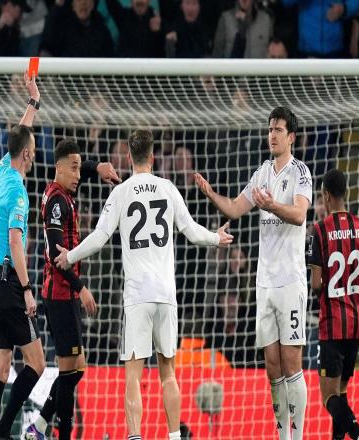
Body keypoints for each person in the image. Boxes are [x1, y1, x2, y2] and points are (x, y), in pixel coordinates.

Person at [55, 129, 233, 440]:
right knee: (168, 373)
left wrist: (69, 256)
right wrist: (216, 238)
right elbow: (191, 231)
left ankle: (135, 436)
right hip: (165, 294)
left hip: (137, 296)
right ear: (152, 157)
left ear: (128, 157)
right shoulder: (168, 188)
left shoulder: (121, 193)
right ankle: (175, 436)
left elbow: (99, 237)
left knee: (133, 376)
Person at [195, 106, 312, 440]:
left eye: (278, 130)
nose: (272, 135)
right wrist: (210, 194)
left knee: (291, 362)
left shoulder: (300, 172)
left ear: (291, 137)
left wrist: (272, 205)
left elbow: (300, 215)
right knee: (272, 366)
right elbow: (235, 208)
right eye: (270, 129)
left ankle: (297, 436)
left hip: (290, 280)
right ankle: (282, 435)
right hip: (265, 284)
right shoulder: (262, 173)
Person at [23, 139, 120, 439]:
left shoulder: (62, 193)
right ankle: (57, 433)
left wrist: (97, 167)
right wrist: (81, 288)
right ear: (59, 168)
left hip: (64, 296)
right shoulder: (56, 202)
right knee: (69, 374)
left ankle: (39, 427)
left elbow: (81, 166)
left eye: (80, 168)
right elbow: (56, 256)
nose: (79, 174)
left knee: (77, 369)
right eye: (74, 169)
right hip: (60, 296)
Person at [0, 71, 45, 440]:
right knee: (36, 363)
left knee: (0, 371)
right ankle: (3, 432)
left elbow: (20, 135)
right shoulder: (19, 193)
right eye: (33, 149)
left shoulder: (1, 171)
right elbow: (16, 242)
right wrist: (26, 288)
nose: (34, 153)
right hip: (9, 284)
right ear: (27, 154)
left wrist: (33, 103)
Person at [307, 169, 359, 440]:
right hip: (355, 323)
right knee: (341, 391)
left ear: (326, 195)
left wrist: (330, 291)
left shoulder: (319, 230)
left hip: (332, 325)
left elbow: (316, 284)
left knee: (328, 397)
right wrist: (355, 291)